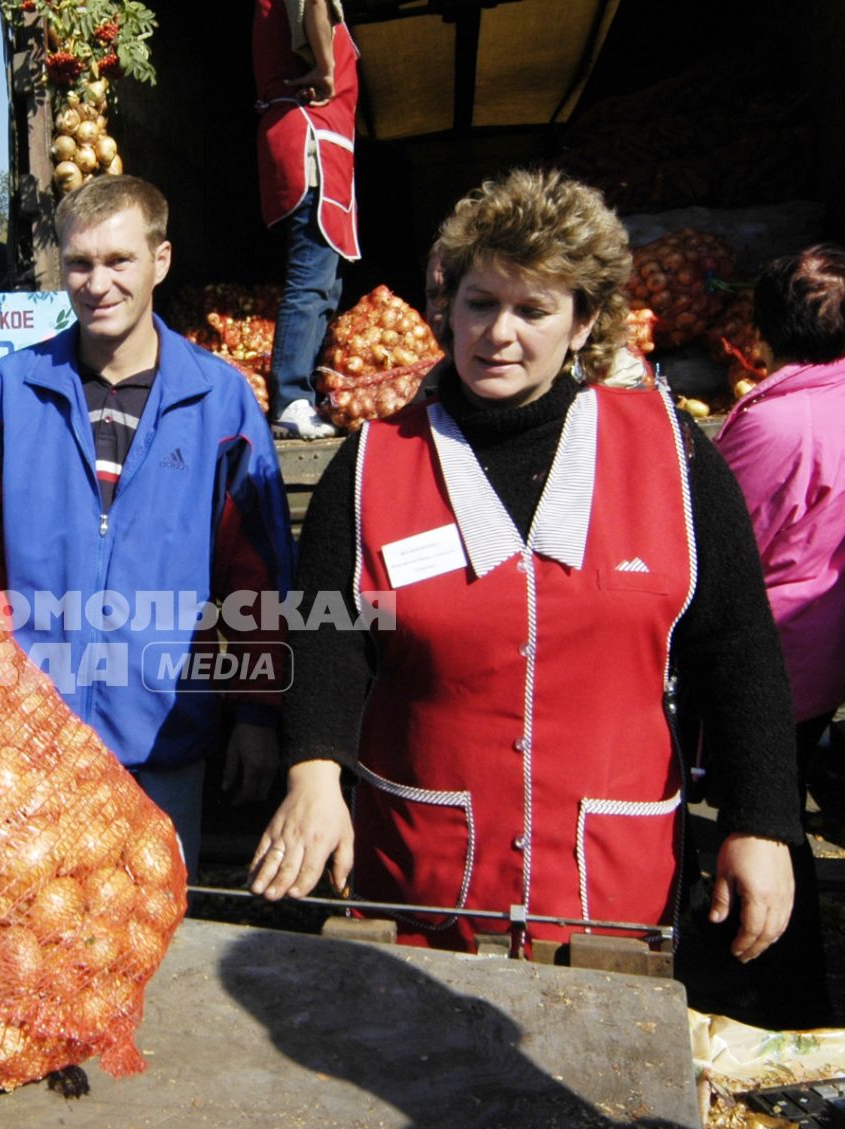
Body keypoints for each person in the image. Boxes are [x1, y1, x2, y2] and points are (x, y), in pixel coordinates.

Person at [251, 169, 801, 970]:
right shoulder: (373, 465)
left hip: (607, 881)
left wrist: (761, 821)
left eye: (532, 310)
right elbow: (324, 640)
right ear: (447, 309)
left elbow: (739, 646)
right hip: (423, 877)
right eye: (479, 304)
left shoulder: (673, 458)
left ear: (582, 323)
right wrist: (313, 775)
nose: (497, 333)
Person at [0, 175, 294, 877]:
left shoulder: (218, 401)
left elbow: (255, 570)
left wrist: (255, 713)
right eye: (79, 263)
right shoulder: (10, 391)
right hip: (33, 743)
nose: (96, 283)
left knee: (158, 946)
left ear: (159, 261)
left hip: (164, 740)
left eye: (118, 261)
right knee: (31, 942)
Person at [712, 244, 845, 1021]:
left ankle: (783, 985)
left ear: (759, 324)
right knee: (771, 807)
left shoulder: (779, 423)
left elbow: (721, 543)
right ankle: (769, 969)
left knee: (762, 816)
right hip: (821, 646)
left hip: (772, 651)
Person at [254, 0, 361, 439]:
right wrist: (327, 69)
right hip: (312, 138)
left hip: (322, 141)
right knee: (311, 279)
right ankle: (291, 398)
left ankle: (305, 395)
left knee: (326, 284)